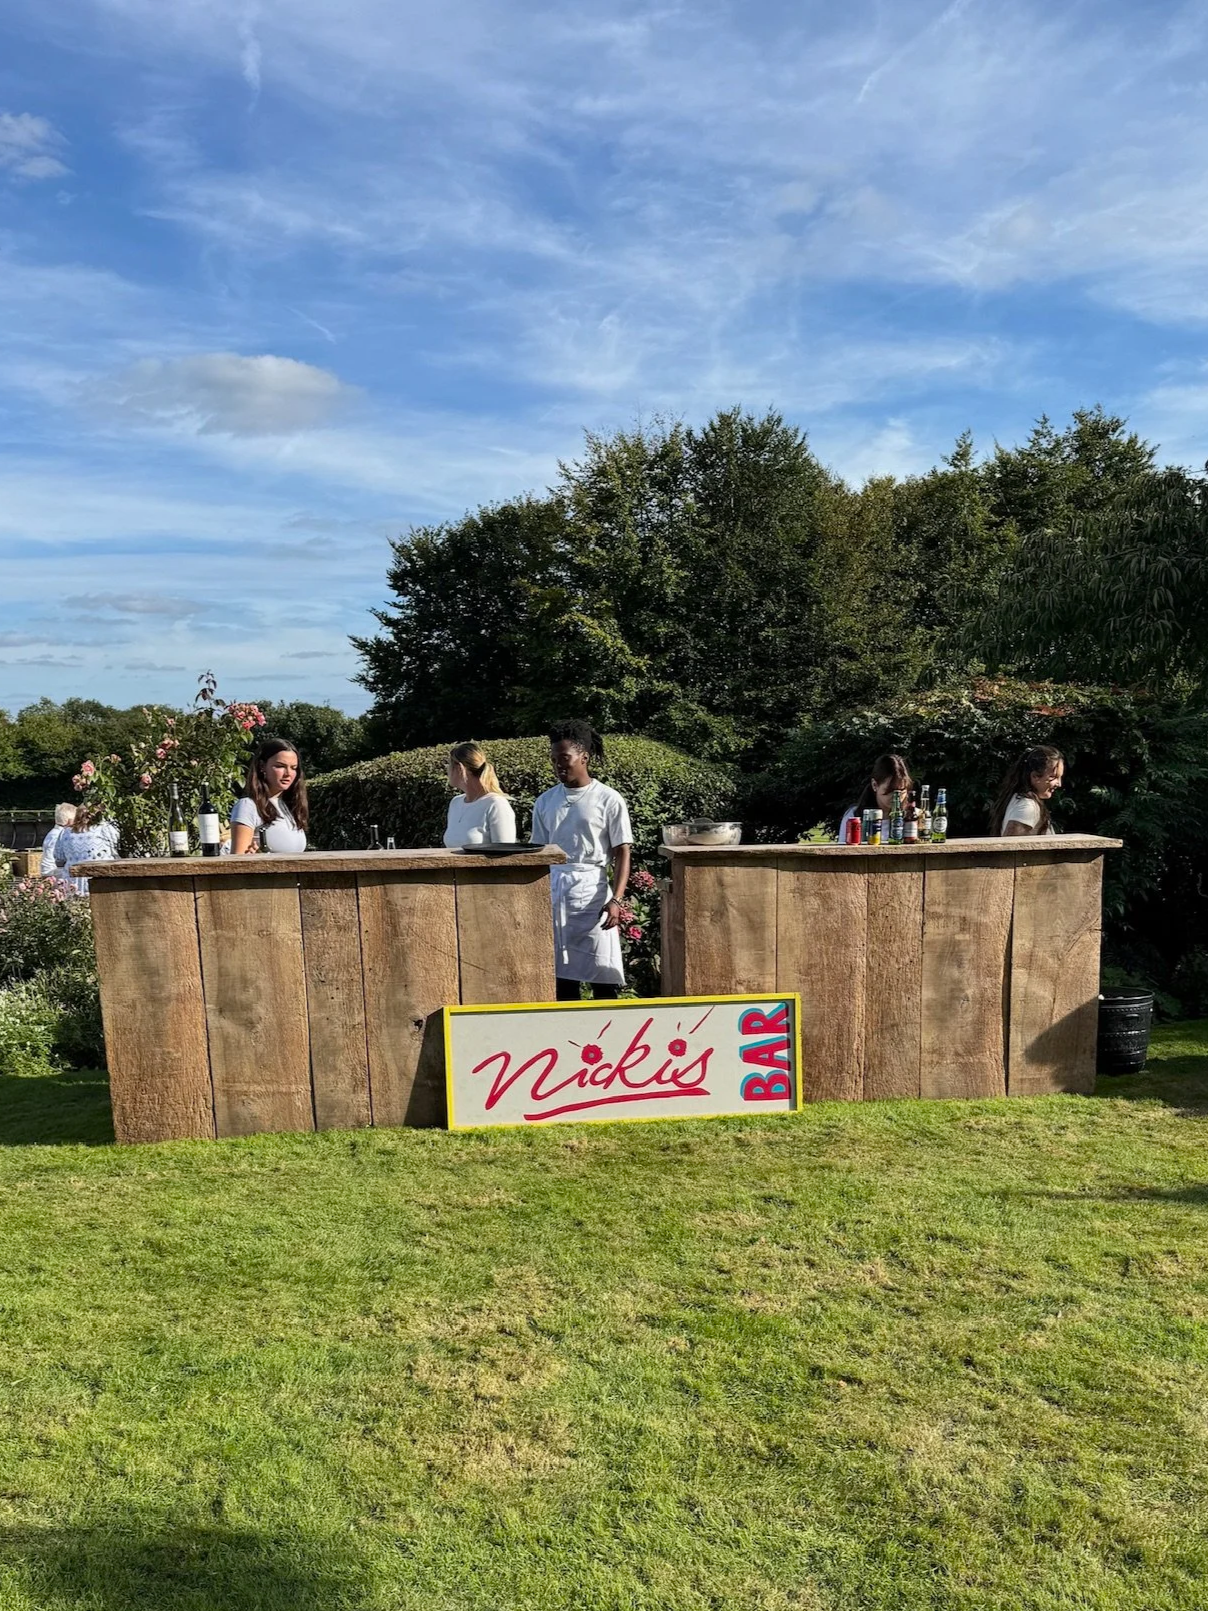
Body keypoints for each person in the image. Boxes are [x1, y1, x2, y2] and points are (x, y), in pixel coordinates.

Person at [530, 719, 633, 1001]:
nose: (558, 765)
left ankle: (609, 1035)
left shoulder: (608, 799)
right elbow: (538, 852)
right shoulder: (545, 801)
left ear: (583, 757)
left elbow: (622, 850)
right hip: (556, 891)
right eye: (554, 760)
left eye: (564, 758)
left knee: (602, 973)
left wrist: (617, 900)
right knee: (562, 978)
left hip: (593, 893)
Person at [230, 738, 309, 854]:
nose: (288, 774)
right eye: (280, 766)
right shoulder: (248, 806)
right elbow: (236, 862)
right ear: (262, 766)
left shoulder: (287, 806)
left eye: (293, 768)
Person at [443, 741, 517, 847]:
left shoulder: (496, 804)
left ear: (460, 768)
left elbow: (505, 853)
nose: (447, 771)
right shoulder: (456, 803)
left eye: (449, 765)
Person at [992, 745, 1064, 837]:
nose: (1059, 784)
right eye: (1053, 777)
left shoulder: (1019, 799)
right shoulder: (1027, 807)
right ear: (1034, 776)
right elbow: (1008, 847)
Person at [838, 754, 913, 841]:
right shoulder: (855, 815)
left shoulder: (914, 817)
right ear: (875, 785)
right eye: (890, 791)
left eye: (902, 791)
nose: (897, 797)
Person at [54, 802, 120, 894]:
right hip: (100, 880)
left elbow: (59, 857)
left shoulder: (65, 832)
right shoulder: (105, 829)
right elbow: (118, 851)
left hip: (72, 882)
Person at [41, 803, 77, 877]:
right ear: (69, 821)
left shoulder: (54, 832)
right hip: (53, 871)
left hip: (50, 870)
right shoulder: (61, 835)